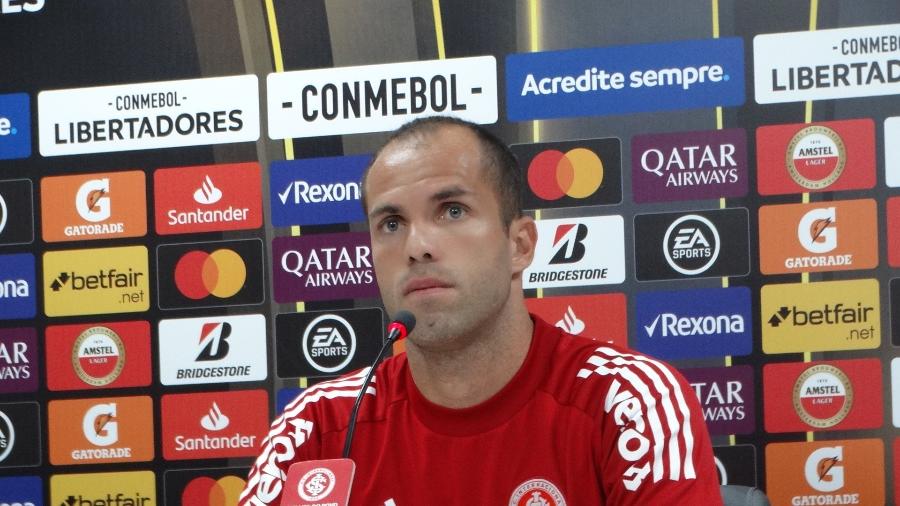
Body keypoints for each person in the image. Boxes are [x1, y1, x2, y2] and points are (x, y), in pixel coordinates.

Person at [239, 116, 722, 505]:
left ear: (520, 244)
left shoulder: (627, 400)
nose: (417, 246)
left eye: (451, 211)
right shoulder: (317, 425)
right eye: (391, 223)